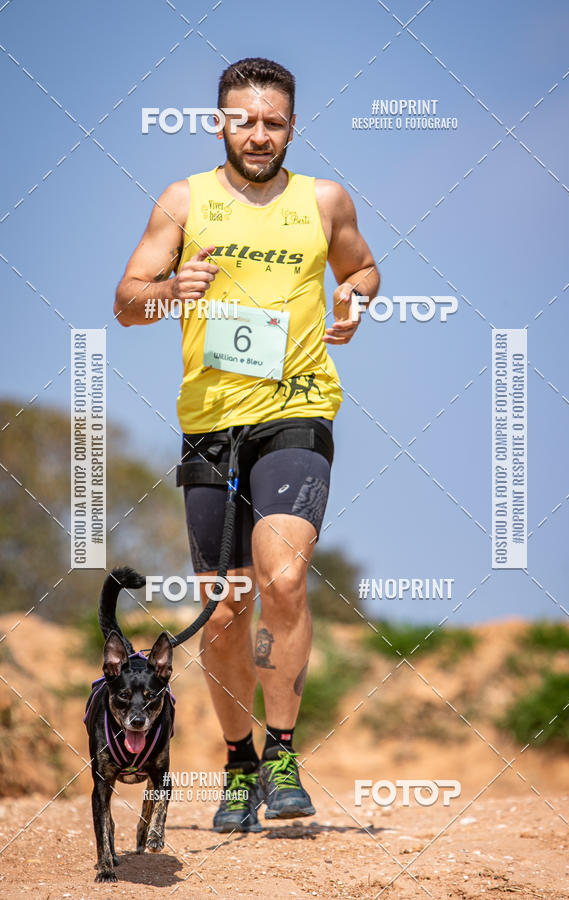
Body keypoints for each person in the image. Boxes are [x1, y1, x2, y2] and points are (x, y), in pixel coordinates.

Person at [114, 57, 379, 832]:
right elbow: (128, 300)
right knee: (227, 609)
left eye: (273, 122)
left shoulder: (323, 200)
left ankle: (285, 751)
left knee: (285, 577)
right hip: (211, 423)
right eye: (245, 120)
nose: (259, 135)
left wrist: (353, 298)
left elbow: (362, 266)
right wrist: (169, 292)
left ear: (292, 126)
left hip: (298, 409)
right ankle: (239, 763)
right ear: (221, 123)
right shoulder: (183, 200)